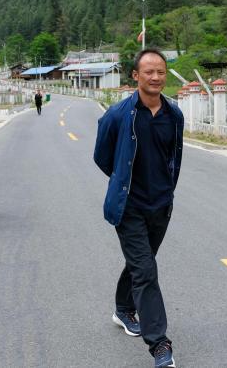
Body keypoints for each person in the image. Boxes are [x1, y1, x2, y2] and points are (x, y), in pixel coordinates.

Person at [93, 49, 184, 368]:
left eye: (161, 72)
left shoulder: (174, 115)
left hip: (161, 205)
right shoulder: (118, 114)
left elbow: (175, 157)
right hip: (129, 206)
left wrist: (166, 191)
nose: (156, 77)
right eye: (149, 72)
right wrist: (123, 180)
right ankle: (160, 345)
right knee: (145, 270)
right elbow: (102, 156)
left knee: (141, 262)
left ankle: (123, 309)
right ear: (136, 76)